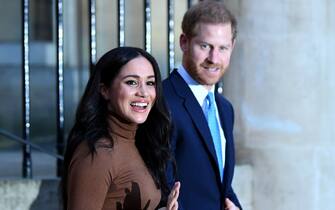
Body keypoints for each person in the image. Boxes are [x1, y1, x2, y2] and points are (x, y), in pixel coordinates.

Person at [61, 47, 180, 210]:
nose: (144, 92)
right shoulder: (98, 154)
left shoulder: (140, 142)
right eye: (132, 82)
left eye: (150, 83)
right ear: (105, 90)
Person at [163, 1, 242, 210]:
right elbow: (159, 185)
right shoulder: (161, 101)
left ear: (232, 47)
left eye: (223, 48)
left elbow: (221, 186)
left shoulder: (225, 109)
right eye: (205, 46)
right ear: (184, 42)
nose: (214, 58)